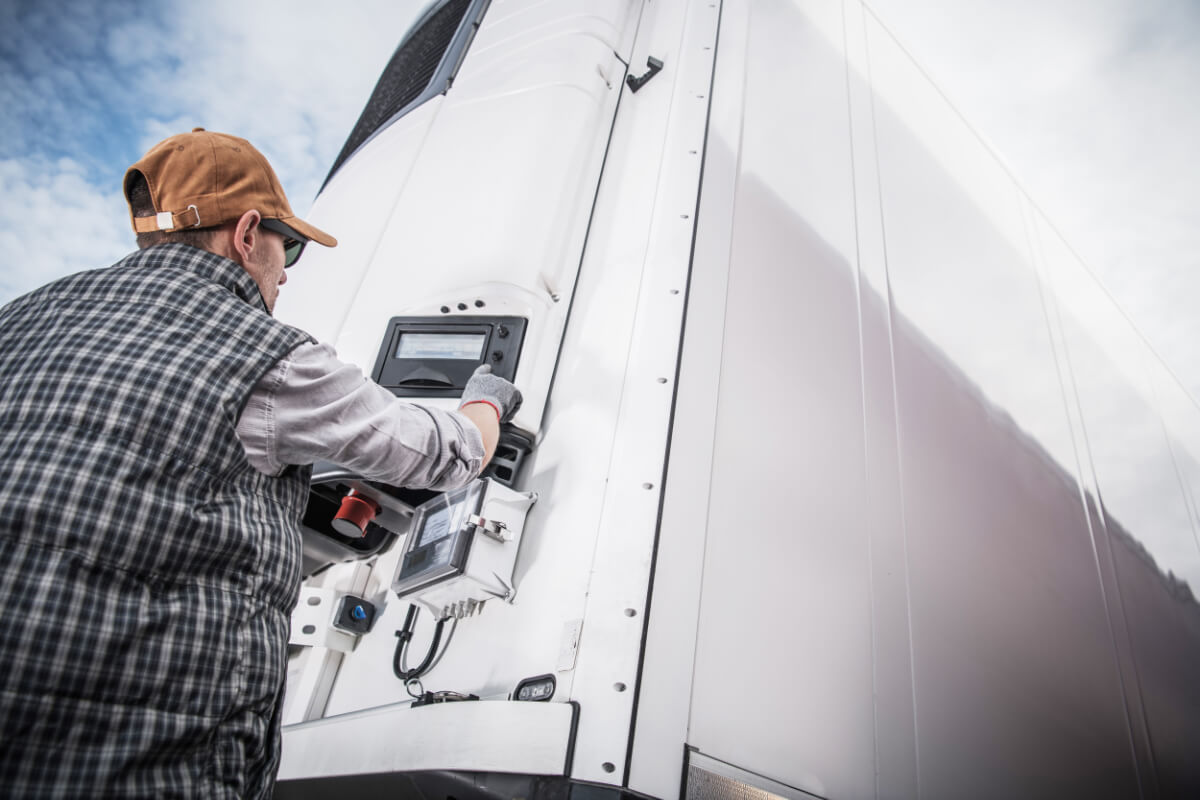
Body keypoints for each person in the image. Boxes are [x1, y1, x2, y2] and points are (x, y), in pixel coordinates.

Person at [0, 128, 521, 797]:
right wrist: (486, 403)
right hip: (133, 764)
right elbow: (443, 453)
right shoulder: (263, 352)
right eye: (289, 249)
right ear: (248, 235)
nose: (284, 276)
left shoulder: (22, 318)